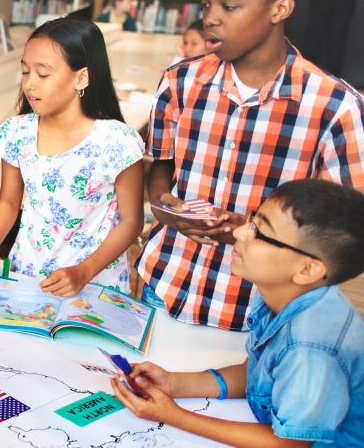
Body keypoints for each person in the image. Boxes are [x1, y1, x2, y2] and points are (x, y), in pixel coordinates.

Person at [135, 0, 364, 331]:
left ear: (280, 9)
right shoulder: (179, 82)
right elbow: (162, 163)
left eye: (230, 6)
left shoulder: (336, 107)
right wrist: (162, 204)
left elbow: (345, 230)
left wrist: (252, 232)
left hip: (259, 313)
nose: (210, 18)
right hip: (164, 284)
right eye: (206, 3)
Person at [115, 180, 364, 447]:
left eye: (259, 232)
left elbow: (290, 444)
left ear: (307, 270)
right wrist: (175, 385)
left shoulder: (310, 346)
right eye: (252, 219)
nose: (241, 232)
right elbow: (255, 373)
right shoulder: (282, 293)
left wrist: (174, 416)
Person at [0, 18, 145, 296]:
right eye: (25, 72)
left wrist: (85, 271)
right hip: (29, 274)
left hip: (96, 280)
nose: (29, 85)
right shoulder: (18, 132)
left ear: (81, 77)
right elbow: (8, 200)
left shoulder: (117, 141)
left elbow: (131, 221)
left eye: (43, 75)